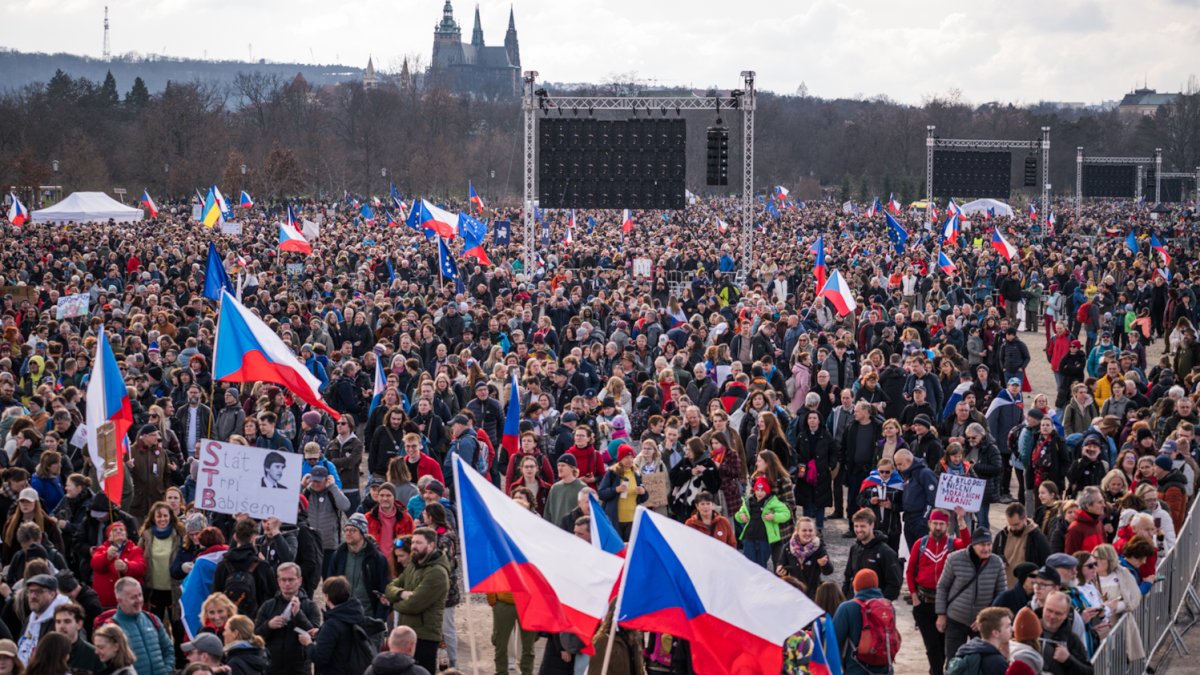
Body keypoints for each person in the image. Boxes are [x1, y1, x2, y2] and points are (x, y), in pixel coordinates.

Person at [905, 508, 970, 675]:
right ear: (929, 524)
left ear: (948, 526)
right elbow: (910, 571)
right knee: (932, 646)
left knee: (943, 647)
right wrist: (913, 596)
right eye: (935, 523)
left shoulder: (953, 545)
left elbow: (969, 547)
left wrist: (961, 521)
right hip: (924, 603)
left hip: (947, 605)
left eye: (942, 524)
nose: (938, 527)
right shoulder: (920, 544)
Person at [935, 528, 1008, 668]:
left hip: (983, 624)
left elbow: (1001, 594)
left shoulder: (996, 562)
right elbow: (942, 586)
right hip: (956, 618)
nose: (986, 548)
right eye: (982, 544)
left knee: (982, 663)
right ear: (973, 544)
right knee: (953, 662)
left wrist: (986, 618)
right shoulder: (954, 558)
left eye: (989, 544)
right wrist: (941, 614)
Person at [384, 528, 449, 673]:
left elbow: (414, 605)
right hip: (407, 632)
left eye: (419, 542)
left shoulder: (437, 572)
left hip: (424, 637)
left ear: (431, 545)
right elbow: (390, 587)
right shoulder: (414, 565)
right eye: (413, 542)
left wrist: (394, 602)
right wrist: (401, 594)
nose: (414, 546)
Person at [298, 576, 386, 675]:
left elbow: (319, 658)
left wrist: (308, 643)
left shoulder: (331, 624)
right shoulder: (356, 615)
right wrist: (321, 632)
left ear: (327, 596)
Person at [93, 578, 174, 675]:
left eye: (140, 595)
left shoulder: (152, 619)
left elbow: (168, 649)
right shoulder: (112, 627)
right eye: (133, 597)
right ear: (119, 600)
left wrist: (167, 670)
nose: (139, 600)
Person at [254, 562, 322, 675]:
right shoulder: (268, 605)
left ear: (299, 580)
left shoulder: (310, 606)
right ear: (278, 581)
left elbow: (314, 636)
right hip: (271, 667)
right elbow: (255, 636)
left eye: (291, 580)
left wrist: (298, 615)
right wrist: (268, 625)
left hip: (299, 668)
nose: (287, 584)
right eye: (283, 580)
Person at [832, 569, 897, 675]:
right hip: (885, 669)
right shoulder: (888, 607)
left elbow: (834, 639)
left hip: (856, 668)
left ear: (856, 586)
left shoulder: (847, 608)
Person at [328, 513, 390, 619]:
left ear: (362, 533)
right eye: (346, 530)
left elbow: (383, 589)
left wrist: (379, 617)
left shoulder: (376, 558)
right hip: (342, 614)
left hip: (367, 616)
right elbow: (330, 584)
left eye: (353, 530)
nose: (348, 533)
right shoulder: (338, 555)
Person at [842, 509, 903, 601]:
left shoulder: (886, 552)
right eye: (856, 526)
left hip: (875, 609)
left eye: (863, 526)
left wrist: (879, 604)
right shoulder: (854, 548)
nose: (858, 530)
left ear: (872, 525)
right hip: (854, 604)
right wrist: (844, 599)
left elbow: (894, 585)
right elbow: (848, 576)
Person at [992, 502, 1051, 588]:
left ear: (1025, 518)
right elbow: (993, 559)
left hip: (1027, 590)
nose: (1013, 528)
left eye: (1016, 524)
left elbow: (1046, 564)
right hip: (1005, 588)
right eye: (1010, 525)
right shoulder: (1002, 536)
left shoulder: (1037, 538)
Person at [15, 574, 69, 666]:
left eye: (38, 592)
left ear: (52, 594)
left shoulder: (61, 620)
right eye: (30, 591)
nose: (33, 596)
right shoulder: (31, 618)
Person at [596, 444, 648, 539]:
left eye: (631, 457)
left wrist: (643, 492)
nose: (629, 460)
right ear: (620, 459)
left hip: (632, 520)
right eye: (626, 457)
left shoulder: (636, 473)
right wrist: (616, 489)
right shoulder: (612, 473)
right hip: (615, 520)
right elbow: (601, 493)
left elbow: (644, 497)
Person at [90, 522, 146, 608]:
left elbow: (141, 567)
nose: (118, 531)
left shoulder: (135, 550)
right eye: (115, 530)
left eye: (121, 530)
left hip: (130, 602)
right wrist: (107, 556)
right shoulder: (101, 549)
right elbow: (95, 565)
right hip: (106, 602)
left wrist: (126, 566)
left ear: (126, 534)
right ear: (109, 536)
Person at [776, 516, 833, 599]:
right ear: (797, 531)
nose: (807, 533)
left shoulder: (819, 547)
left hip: (814, 593)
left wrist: (824, 564)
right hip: (795, 593)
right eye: (804, 530)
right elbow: (780, 566)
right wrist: (780, 571)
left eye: (810, 530)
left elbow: (829, 571)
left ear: (815, 532)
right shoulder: (788, 547)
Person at [1038, 591, 1094, 675]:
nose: (1052, 616)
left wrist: (1068, 659)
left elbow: (1089, 672)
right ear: (1043, 608)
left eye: (1058, 613)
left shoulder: (1072, 640)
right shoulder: (1027, 629)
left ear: (1066, 615)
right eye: (1049, 610)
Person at [946, 607, 1012, 675]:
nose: (1011, 629)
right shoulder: (997, 662)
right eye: (1008, 626)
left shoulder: (966, 651)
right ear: (995, 633)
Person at [53, 602, 103, 673]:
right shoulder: (47, 652)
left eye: (67, 621)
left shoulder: (94, 655)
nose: (61, 626)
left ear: (79, 624)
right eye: (58, 622)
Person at [544, 455, 586, 528]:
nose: (559, 468)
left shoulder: (582, 488)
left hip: (574, 532)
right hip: (556, 531)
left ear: (572, 468)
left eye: (563, 465)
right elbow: (548, 512)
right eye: (558, 465)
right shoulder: (555, 488)